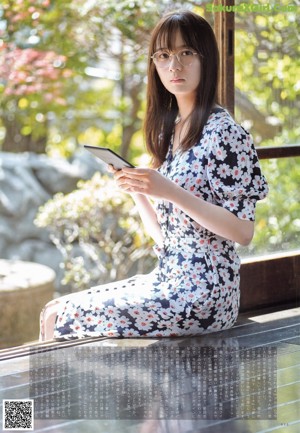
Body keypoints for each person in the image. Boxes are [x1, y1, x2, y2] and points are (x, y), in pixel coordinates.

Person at [39, 10, 268, 341]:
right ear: (155, 64)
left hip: (206, 296)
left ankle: (41, 396)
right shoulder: (173, 131)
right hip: (168, 277)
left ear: (207, 58)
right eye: (164, 55)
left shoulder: (225, 133)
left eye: (186, 53)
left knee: (63, 316)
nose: (174, 66)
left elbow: (243, 232)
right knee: (53, 309)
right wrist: (137, 189)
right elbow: (165, 240)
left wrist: (170, 190)